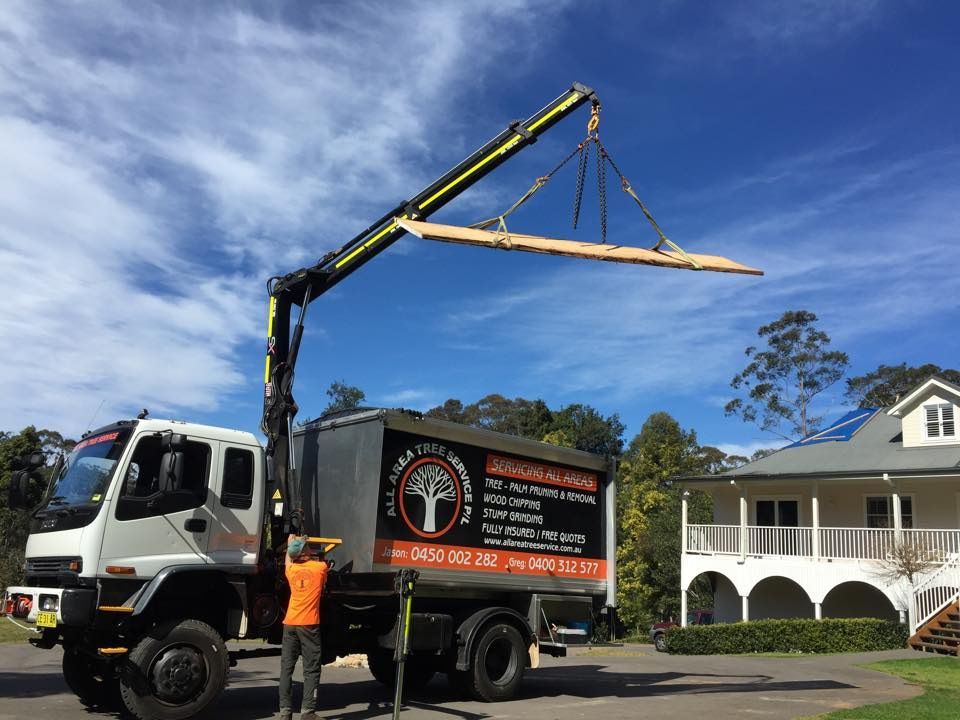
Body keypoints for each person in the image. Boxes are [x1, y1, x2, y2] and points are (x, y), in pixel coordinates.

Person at [279, 534, 329, 720]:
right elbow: (321, 559)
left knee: (286, 669)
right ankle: (308, 712)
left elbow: (288, 560)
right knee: (311, 669)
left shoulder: (291, 571)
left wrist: (290, 544)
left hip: (290, 623)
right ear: (305, 552)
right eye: (307, 546)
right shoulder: (319, 568)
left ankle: (285, 712)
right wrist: (298, 543)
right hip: (309, 625)